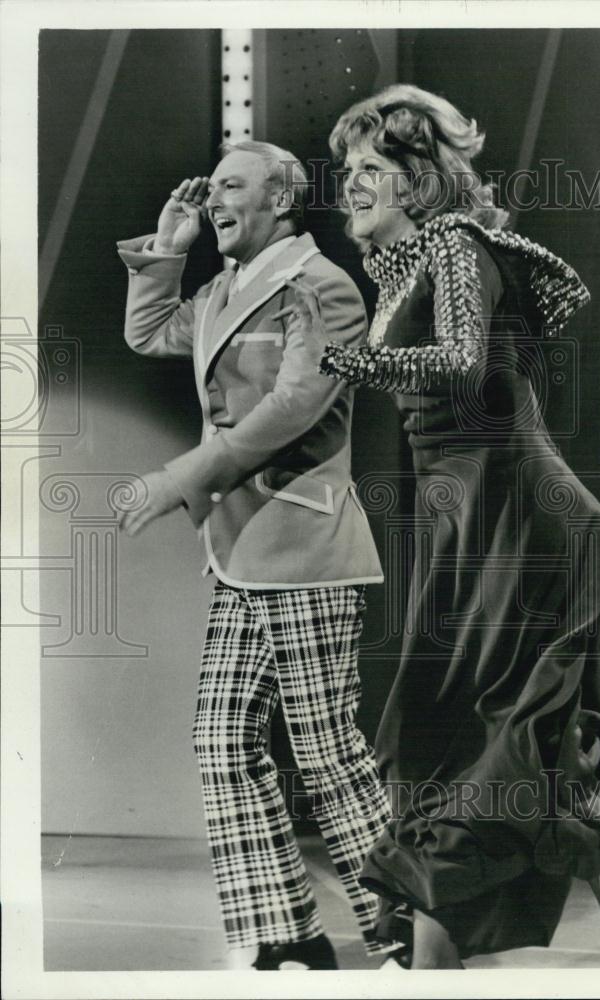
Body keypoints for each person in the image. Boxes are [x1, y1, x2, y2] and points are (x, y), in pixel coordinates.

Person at [282, 85, 600, 970]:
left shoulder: (456, 248)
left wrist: (344, 359)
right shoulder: (406, 268)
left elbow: (461, 369)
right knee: (515, 732)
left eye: (371, 168)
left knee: (478, 730)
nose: (351, 183)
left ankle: (434, 953)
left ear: (419, 179)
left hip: (523, 517)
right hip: (471, 520)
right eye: (346, 169)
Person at [116, 140, 393, 970]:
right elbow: (151, 334)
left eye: (232, 187)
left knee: (326, 748)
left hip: (305, 543)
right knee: (221, 740)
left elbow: (295, 405)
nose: (214, 200)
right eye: (211, 191)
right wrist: (168, 246)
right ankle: (286, 929)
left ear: (282, 200)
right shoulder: (220, 289)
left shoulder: (324, 286)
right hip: (240, 547)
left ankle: (408, 918)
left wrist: (180, 475)